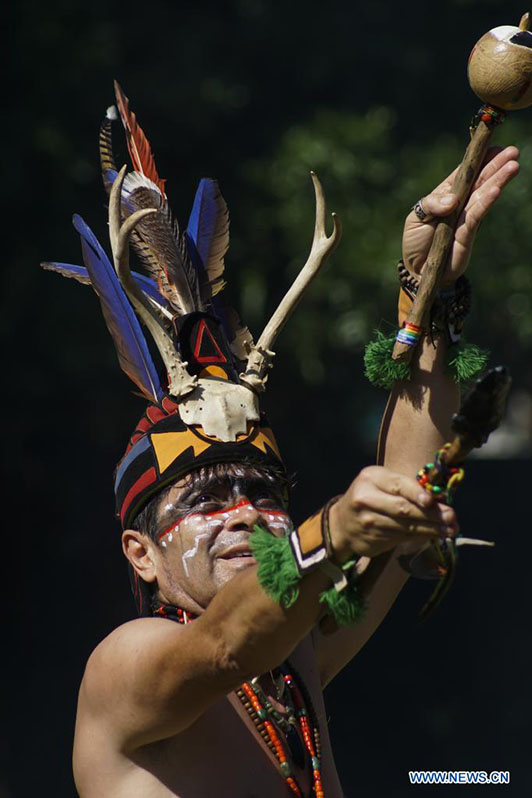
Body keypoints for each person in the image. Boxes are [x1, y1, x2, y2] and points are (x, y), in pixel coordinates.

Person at [45, 85, 519, 797]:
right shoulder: (129, 665)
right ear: (140, 554)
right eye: (208, 497)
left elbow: (408, 479)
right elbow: (223, 646)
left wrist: (428, 286)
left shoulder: (293, 658)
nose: (242, 510)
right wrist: (331, 530)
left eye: (261, 493)